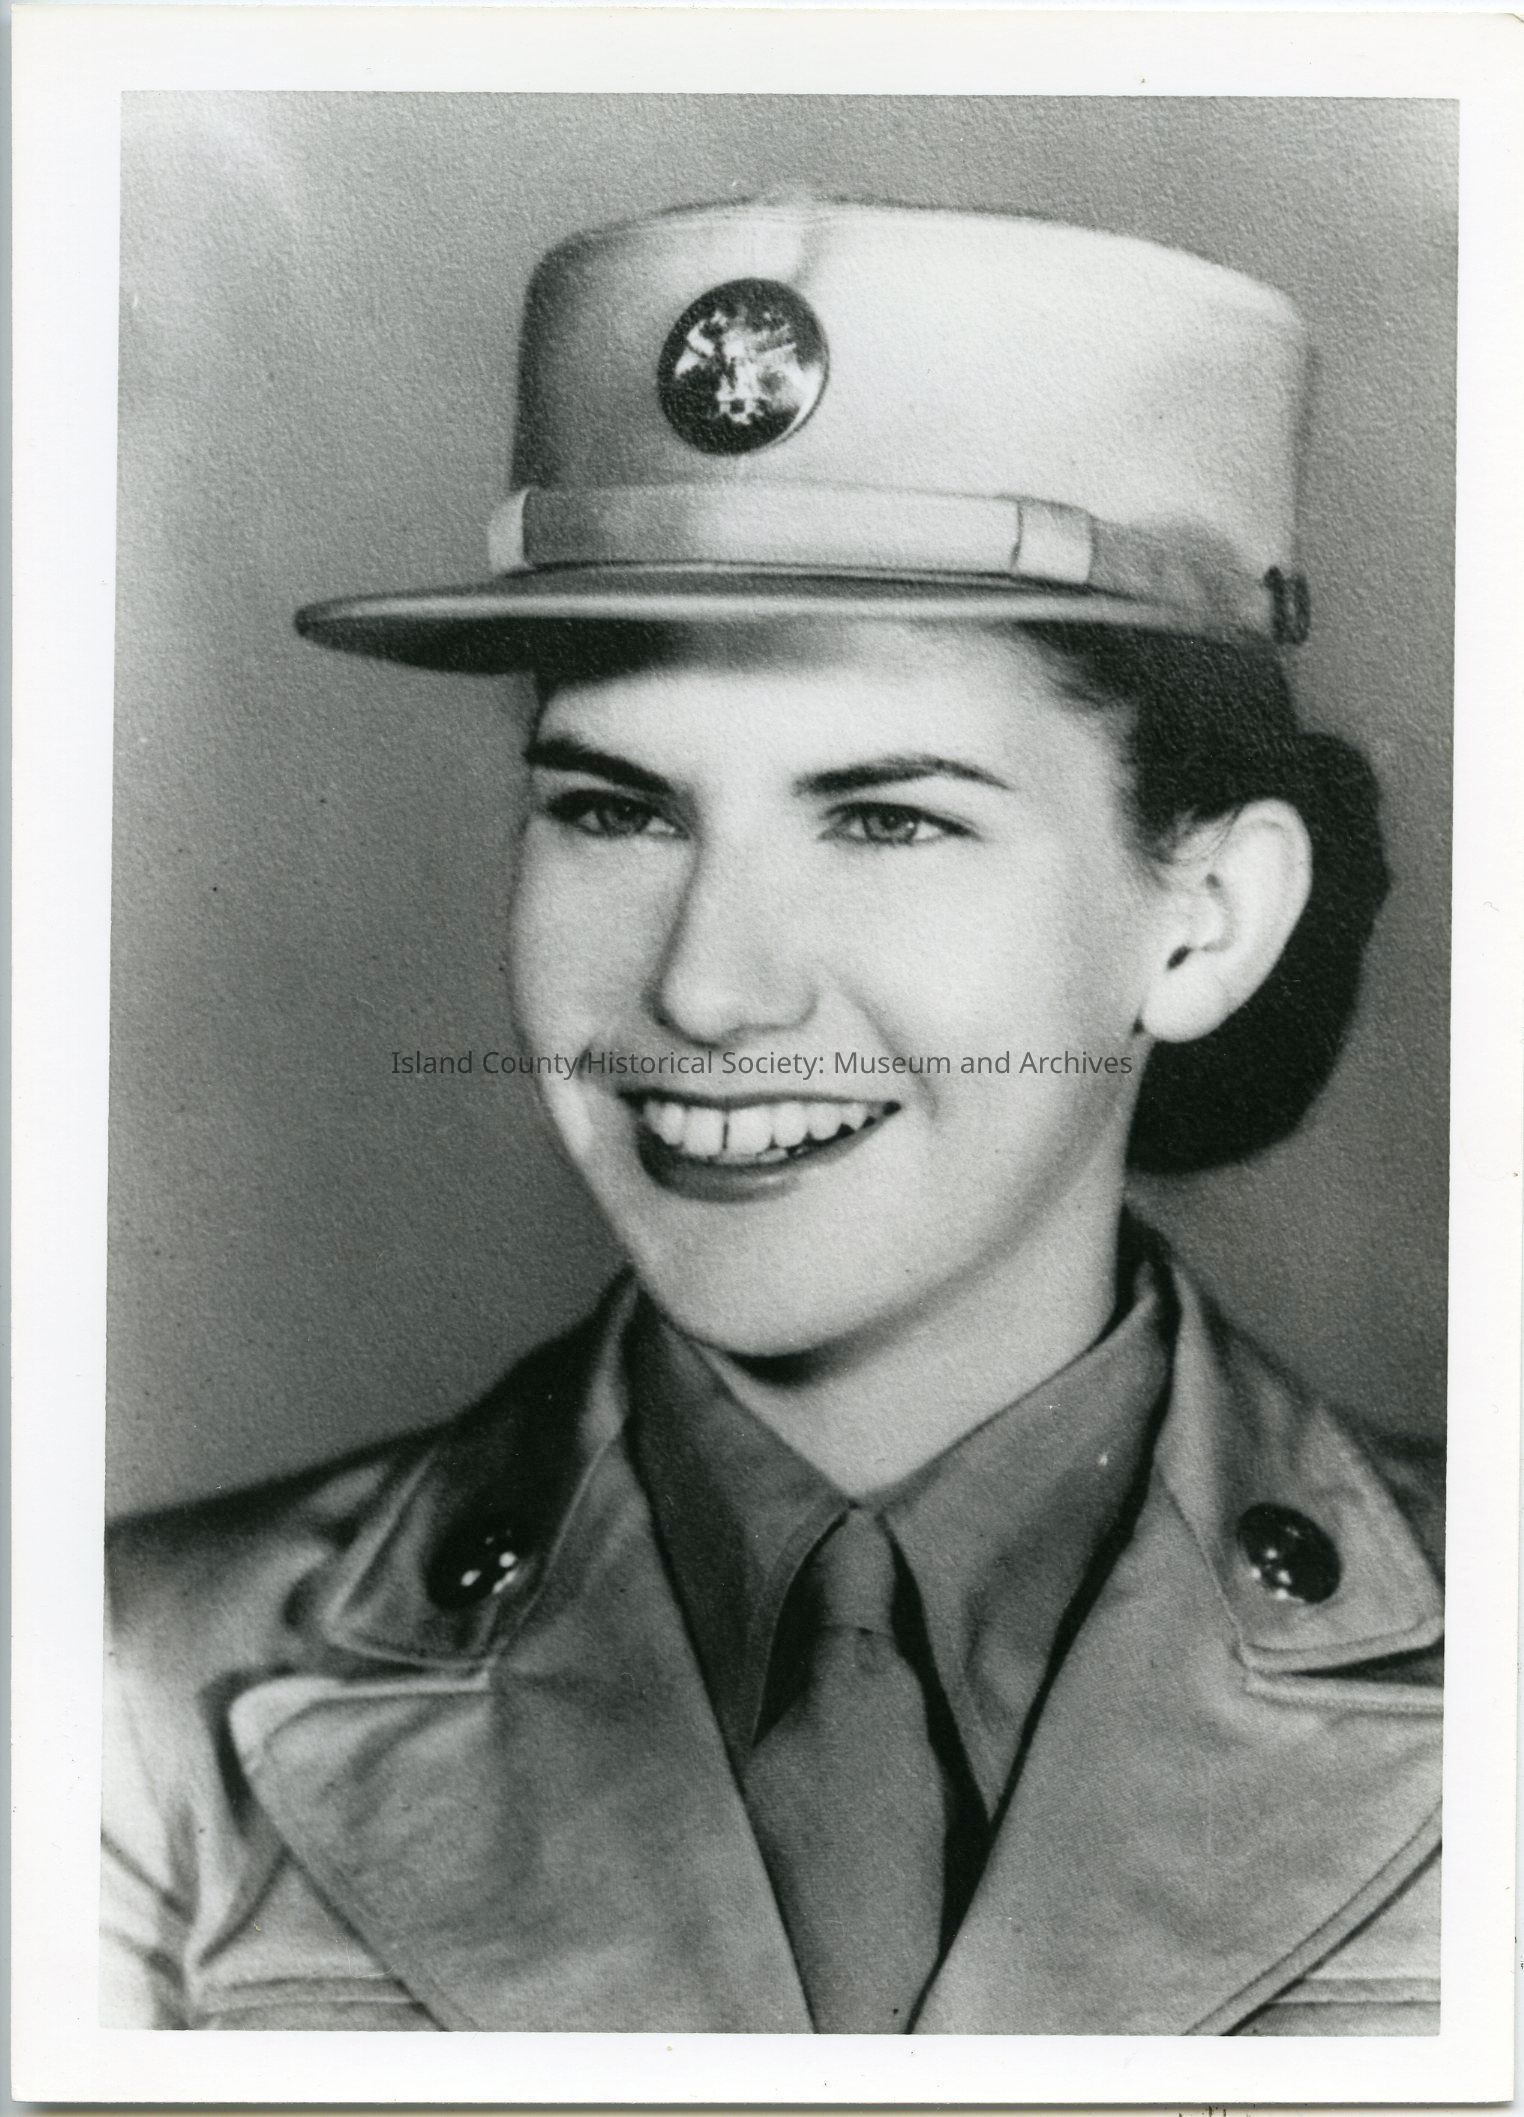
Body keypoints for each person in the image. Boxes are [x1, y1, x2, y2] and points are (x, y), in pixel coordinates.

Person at [102, 198, 1442, 2035]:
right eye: (613, 810)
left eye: (886, 819)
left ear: (1204, 918)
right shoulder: (125, 1692)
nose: (709, 990)